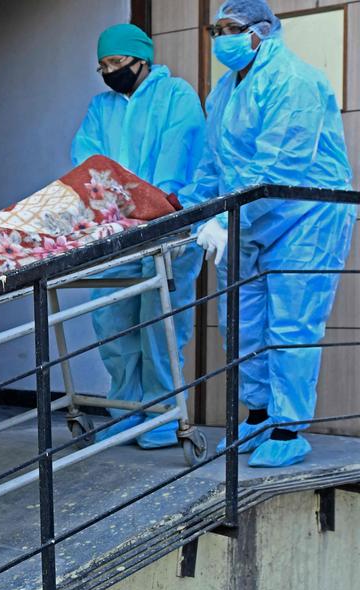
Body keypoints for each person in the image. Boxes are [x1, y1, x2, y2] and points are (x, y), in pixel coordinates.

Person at [182, 0, 355, 467]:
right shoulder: (222, 91)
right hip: (247, 218)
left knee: (291, 323)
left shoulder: (294, 80)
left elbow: (281, 165)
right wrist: (186, 207)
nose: (222, 38)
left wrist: (223, 218)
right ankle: (258, 416)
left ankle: (288, 428)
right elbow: (212, 164)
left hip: (305, 217)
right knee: (241, 321)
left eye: (231, 28)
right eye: (215, 29)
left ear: (260, 31)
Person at [72, 23, 207, 449]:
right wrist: (110, 213)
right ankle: (126, 413)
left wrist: (152, 210)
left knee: (159, 326)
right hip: (116, 232)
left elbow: (176, 161)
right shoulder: (101, 107)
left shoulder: (176, 97)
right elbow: (87, 163)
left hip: (168, 226)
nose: (110, 71)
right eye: (104, 66)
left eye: (116, 62)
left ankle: (163, 417)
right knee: (112, 326)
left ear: (141, 59)